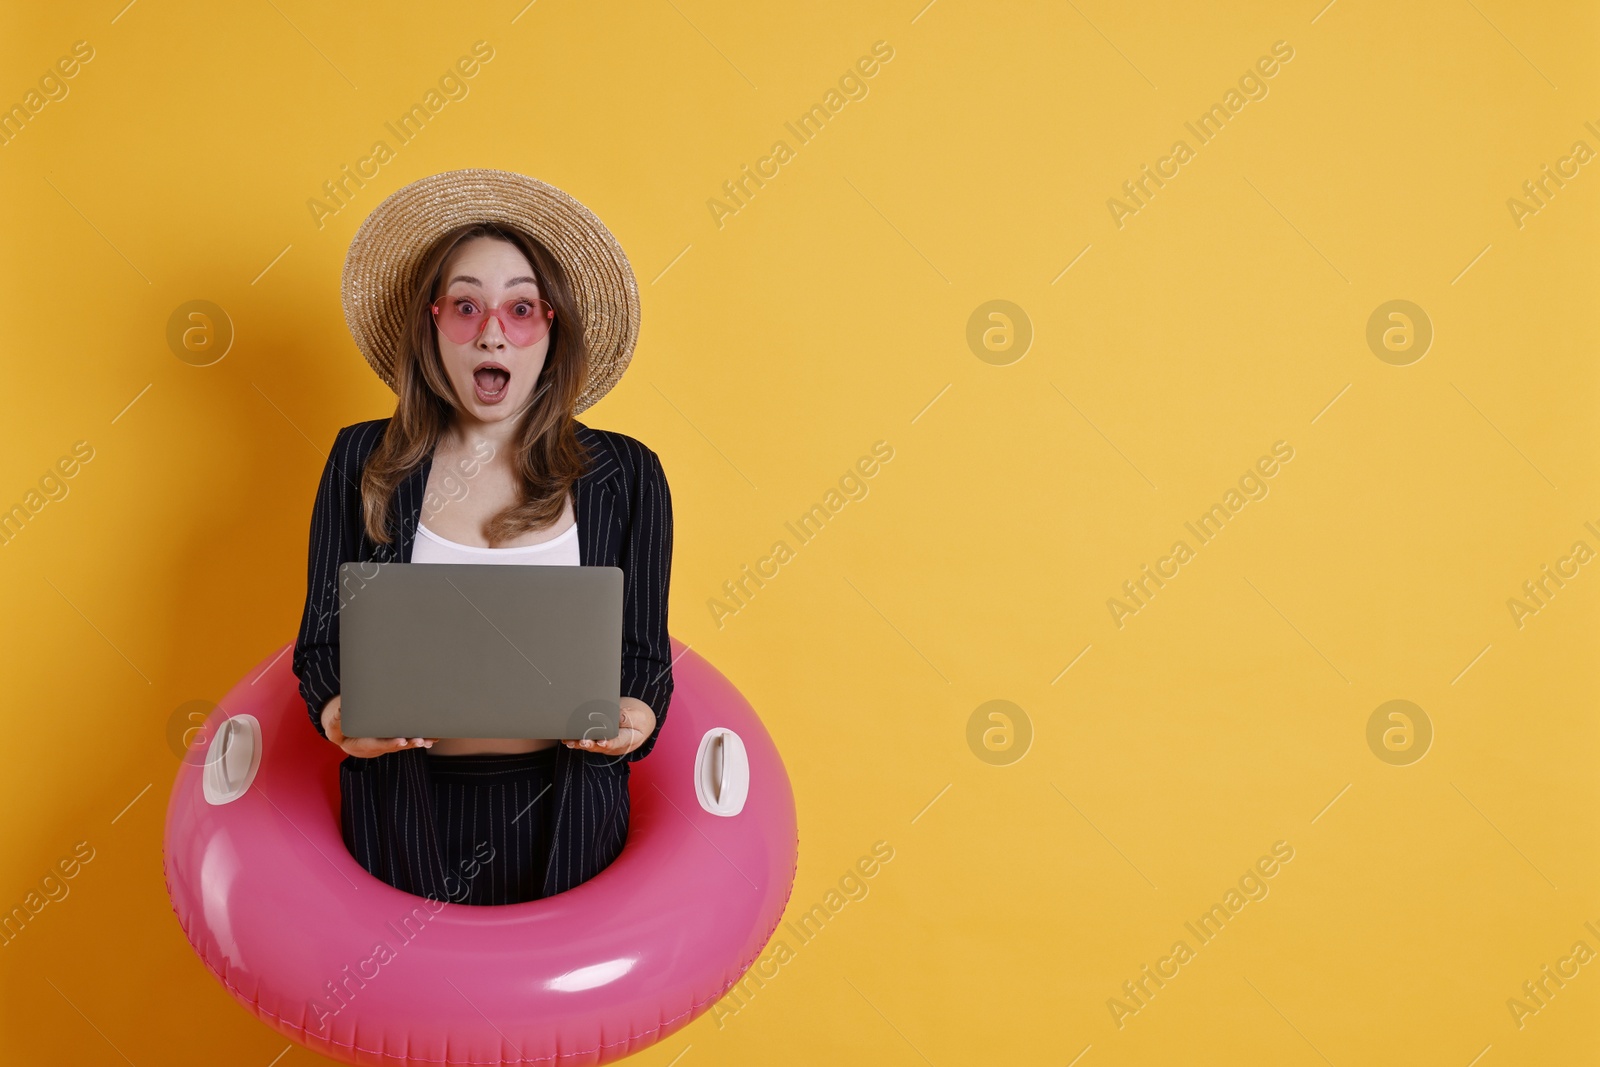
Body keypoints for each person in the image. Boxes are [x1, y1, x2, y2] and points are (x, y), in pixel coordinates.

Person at [291, 169, 673, 906]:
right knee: (404, 1023)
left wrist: (636, 717)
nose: (491, 330)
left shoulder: (626, 474)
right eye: (465, 306)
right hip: (403, 811)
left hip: (569, 814)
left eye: (521, 308)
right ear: (432, 325)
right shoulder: (359, 460)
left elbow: (643, 659)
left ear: (551, 329)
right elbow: (318, 646)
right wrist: (341, 718)